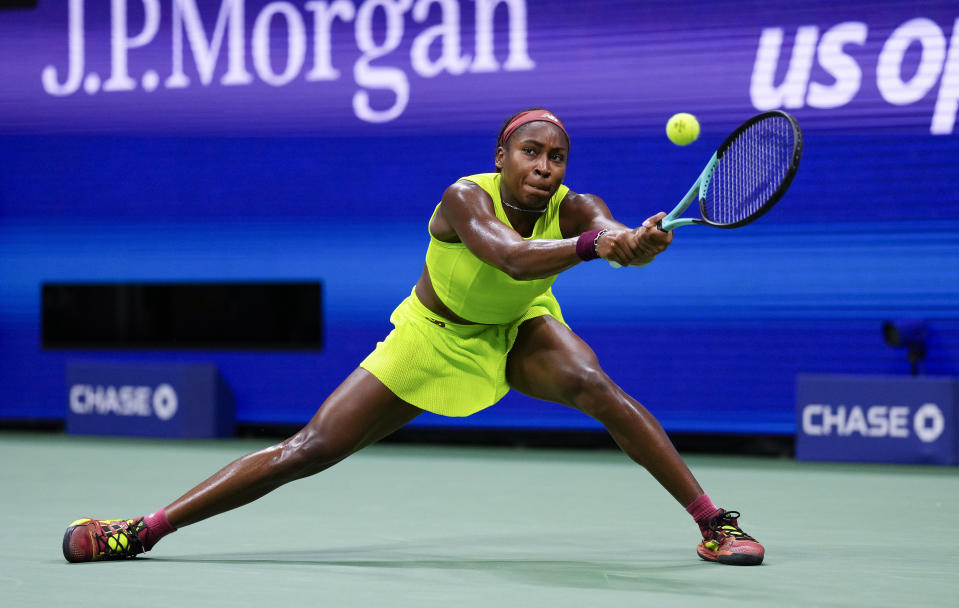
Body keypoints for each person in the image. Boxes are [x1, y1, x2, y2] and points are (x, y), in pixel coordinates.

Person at [62, 108, 764, 566]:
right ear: (501, 154)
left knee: (597, 387)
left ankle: (712, 523)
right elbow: (512, 258)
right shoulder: (464, 197)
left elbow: (602, 231)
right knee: (307, 451)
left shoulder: (572, 206)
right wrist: (592, 248)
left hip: (518, 329)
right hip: (429, 337)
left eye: (555, 156)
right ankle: (144, 530)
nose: (544, 166)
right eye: (530, 151)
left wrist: (631, 244)